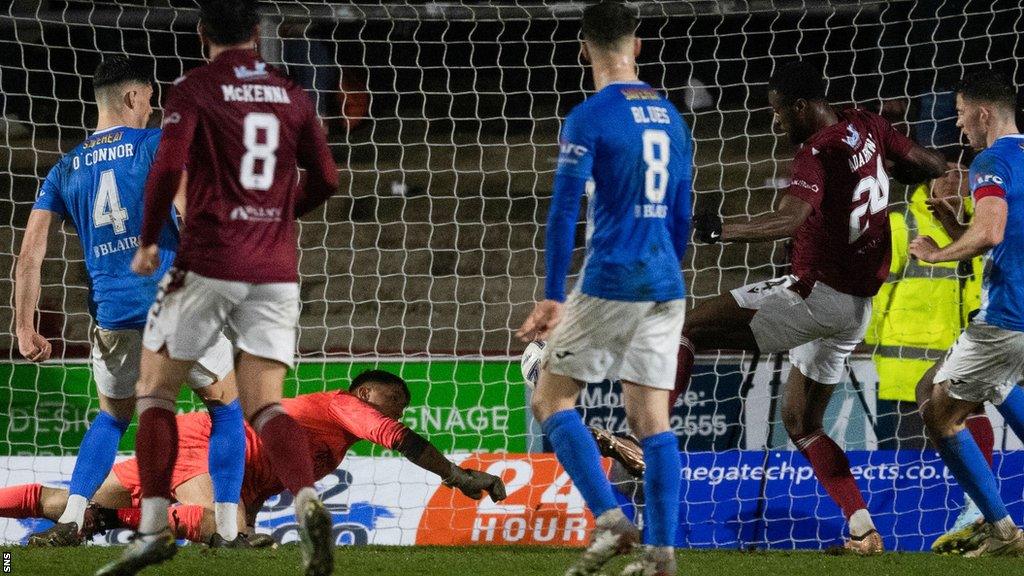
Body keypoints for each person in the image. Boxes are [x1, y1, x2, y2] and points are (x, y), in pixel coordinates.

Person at [97, 1, 341, 575]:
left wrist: (151, 238)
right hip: (275, 270)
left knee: (155, 394)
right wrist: (279, 216)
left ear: (204, 32)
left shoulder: (195, 88)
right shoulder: (293, 93)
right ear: (257, 34)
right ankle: (307, 502)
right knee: (263, 406)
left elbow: (168, 166)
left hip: (208, 260)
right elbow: (327, 178)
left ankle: (154, 527)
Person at [680, 60, 945, 554]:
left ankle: (648, 447)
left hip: (814, 295)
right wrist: (931, 177)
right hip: (855, 308)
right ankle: (863, 530)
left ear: (801, 107)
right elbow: (930, 164)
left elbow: (788, 219)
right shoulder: (868, 123)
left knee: (687, 327)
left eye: (778, 112)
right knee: (802, 423)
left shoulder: (815, 153)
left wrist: (720, 229)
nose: (775, 122)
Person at [12, 56, 242, 547]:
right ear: (134, 98)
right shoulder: (158, 145)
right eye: (151, 99)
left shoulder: (63, 168)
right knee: (225, 408)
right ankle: (227, 530)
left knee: (114, 416)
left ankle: (73, 519)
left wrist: (23, 327)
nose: (152, 108)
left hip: (114, 313)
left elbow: (29, 256)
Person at [516, 3, 692, 575]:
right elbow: (684, 213)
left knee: (550, 397)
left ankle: (612, 521)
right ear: (636, 46)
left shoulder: (590, 116)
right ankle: (662, 555)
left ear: (583, 49)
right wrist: (668, 267)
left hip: (614, 277)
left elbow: (565, 209)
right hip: (668, 281)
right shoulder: (671, 115)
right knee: (651, 419)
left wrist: (550, 293)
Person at [0, 370, 506, 545]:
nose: (398, 414)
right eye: (394, 403)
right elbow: (402, 439)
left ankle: (101, 514)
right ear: (369, 394)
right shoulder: (343, 404)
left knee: (64, 502)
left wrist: (250, 512)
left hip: (219, 462)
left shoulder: (332, 443)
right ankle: (115, 518)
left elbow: (263, 482)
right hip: (203, 445)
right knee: (221, 532)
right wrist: (458, 475)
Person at [911, 70, 1024, 557]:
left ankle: (1000, 531)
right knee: (997, 387)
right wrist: (954, 224)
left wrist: (938, 252)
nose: (959, 126)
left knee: (937, 412)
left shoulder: (991, 159)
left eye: (959, 114)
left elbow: (994, 231)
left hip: (1008, 316)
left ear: (981, 113)